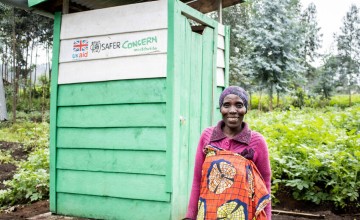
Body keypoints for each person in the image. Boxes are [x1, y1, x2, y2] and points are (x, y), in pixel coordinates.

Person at [185, 86, 272, 220]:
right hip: (209, 214)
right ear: (221, 109)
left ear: (246, 109)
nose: (232, 110)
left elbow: (265, 184)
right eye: (226, 105)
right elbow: (198, 180)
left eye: (239, 105)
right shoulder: (207, 136)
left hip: (243, 214)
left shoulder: (257, 142)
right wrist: (190, 216)